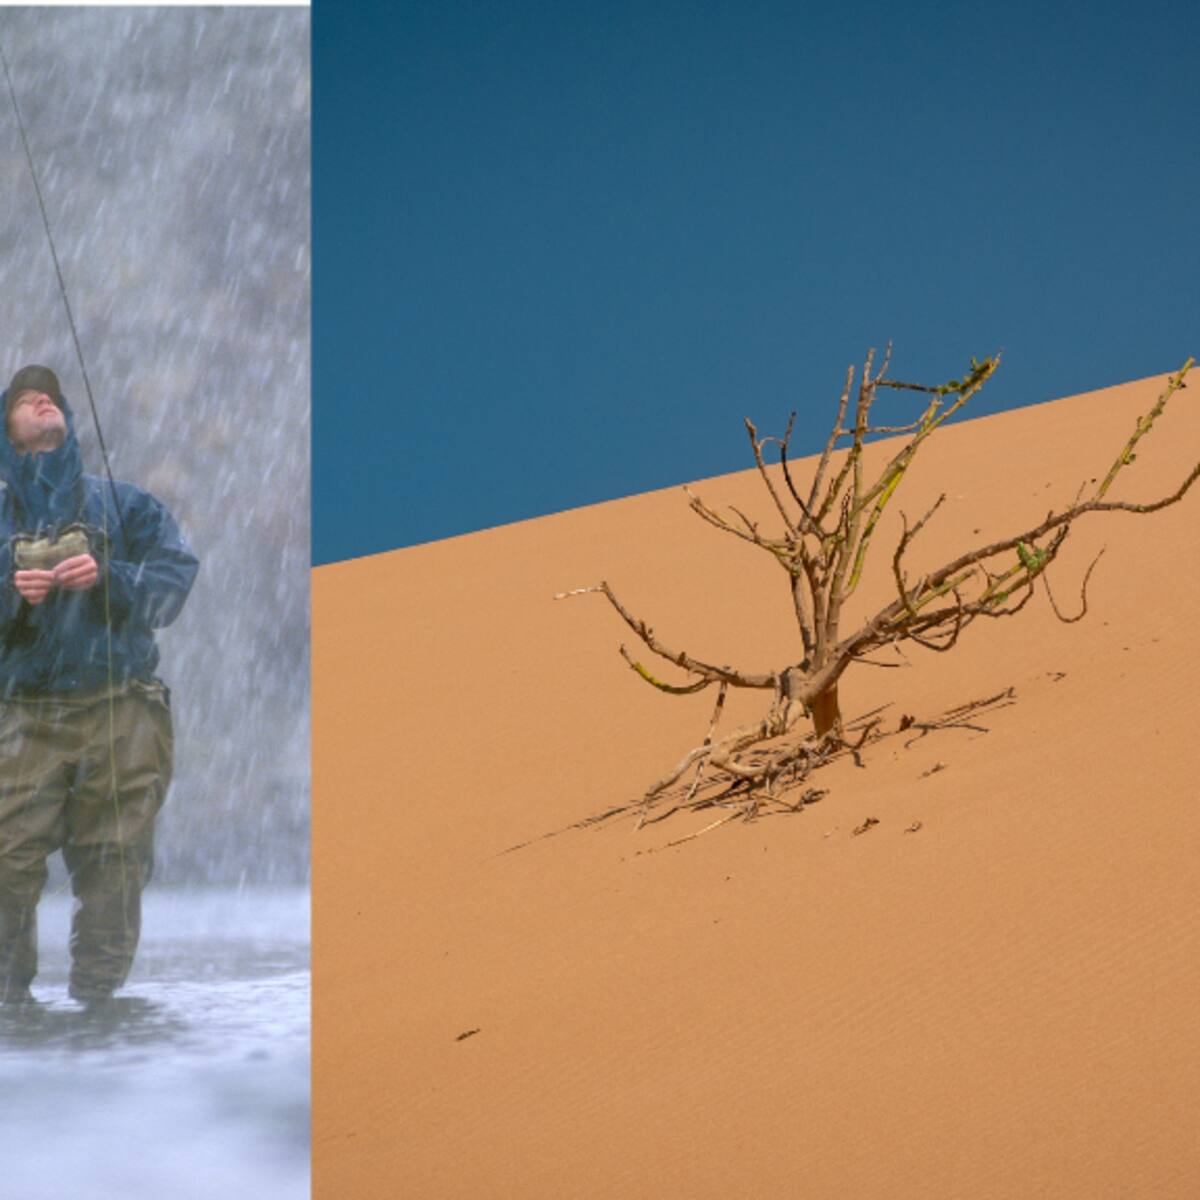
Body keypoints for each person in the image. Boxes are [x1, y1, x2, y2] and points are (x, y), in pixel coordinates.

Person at [0, 364, 198, 1008]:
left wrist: (110, 577)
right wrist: (9, 588)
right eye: (25, 399)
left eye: (51, 396)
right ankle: (7, 1002)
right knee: (6, 863)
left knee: (116, 864)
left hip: (123, 708)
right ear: (5, 430)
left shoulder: (128, 504)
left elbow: (171, 587)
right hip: (21, 714)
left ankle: (99, 1006)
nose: (42, 399)